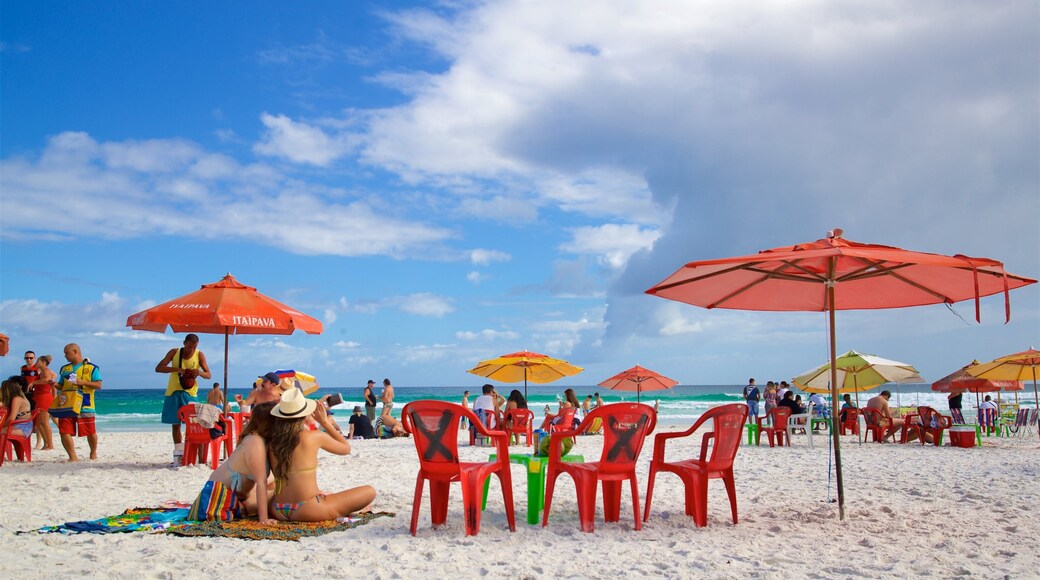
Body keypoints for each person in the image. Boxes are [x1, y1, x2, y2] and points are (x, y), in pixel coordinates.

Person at [267, 389, 376, 521]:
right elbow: (346, 448)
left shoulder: (271, 440)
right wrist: (324, 422)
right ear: (305, 414)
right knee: (369, 491)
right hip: (308, 508)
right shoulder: (313, 437)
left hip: (277, 508)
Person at [188, 402, 278, 523]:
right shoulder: (255, 441)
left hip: (235, 496)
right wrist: (263, 519)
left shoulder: (260, 439)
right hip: (217, 498)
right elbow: (261, 482)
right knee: (277, 499)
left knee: (277, 491)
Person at [156, 334, 212, 451]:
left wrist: (198, 372)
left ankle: (190, 451)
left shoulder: (199, 354)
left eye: (194, 347)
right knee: (175, 424)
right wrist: (177, 369)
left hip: (190, 394)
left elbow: (208, 375)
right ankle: (179, 451)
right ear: (184, 343)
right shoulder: (174, 352)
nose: (191, 349)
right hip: (173, 392)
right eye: (189, 346)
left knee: (194, 424)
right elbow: (159, 368)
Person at [56, 343, 102, 462]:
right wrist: (53, 384)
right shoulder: (64, 369)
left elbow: (98, 385)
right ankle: (72, 456)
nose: (65, 356)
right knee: (64, 430)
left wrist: (82, 382)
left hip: (85, 402)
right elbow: (61, 385)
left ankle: (93, 452)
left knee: (90, 430)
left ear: (75, 352)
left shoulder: (92, 368)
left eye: (67, 353)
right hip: (67, 402)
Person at [29, 354, 57, 450]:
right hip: (39, 397)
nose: (36, 363)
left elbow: (46, 380)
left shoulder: (46, 370)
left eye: (38, 361)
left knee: (44, 422)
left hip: (44, 397)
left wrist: (33, 382)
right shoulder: (41, 371)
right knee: (39, 422)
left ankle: (50, 444)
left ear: (43, 363)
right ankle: (46, 443)